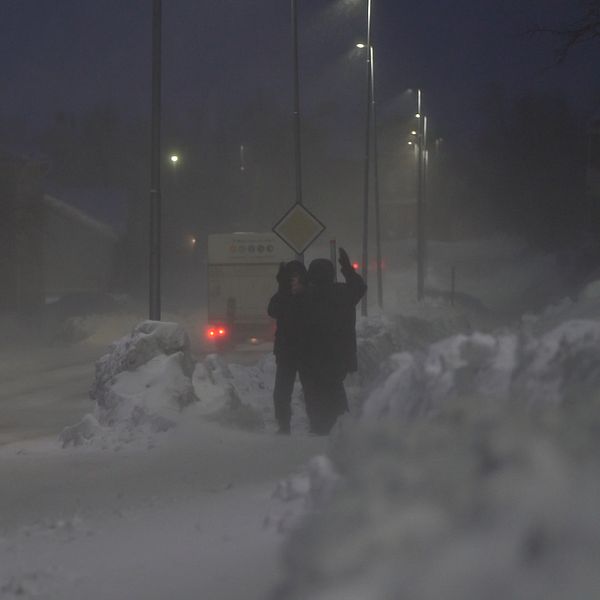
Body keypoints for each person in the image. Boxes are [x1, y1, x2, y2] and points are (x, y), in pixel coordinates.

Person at [300, 248, 366, 435]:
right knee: (334, 389)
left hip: (309, 358)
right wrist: (347, 268)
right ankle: (340, 425)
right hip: (337, 356)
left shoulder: (304, 297)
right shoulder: (342, 294)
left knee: (313, 393)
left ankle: (318, 427)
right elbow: (360, 287)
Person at [267, 260, 308, 434]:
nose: (294, 281)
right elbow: (272, 310)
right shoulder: (282, 296)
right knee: (282, 392)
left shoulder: (310, 294)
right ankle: (283, 425)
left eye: (297, 277)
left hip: (308, 349)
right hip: (286, 350)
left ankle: (318, 423)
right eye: (291, 277)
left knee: (312, 389)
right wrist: (285, 291)